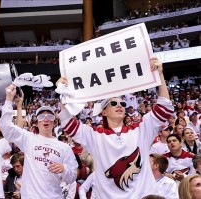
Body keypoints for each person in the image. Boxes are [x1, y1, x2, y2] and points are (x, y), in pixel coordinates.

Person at [56, 57, 174, 198]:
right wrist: (63, 93)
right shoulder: (95, 135)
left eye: (123, 104)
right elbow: (68, 123)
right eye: (113, 103)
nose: (119, 105)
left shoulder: (141, 129)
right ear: (103, 112)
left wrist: (160, 75)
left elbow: (164, 108)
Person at [0, 86, 78, 199]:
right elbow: (6, 127)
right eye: (42, 116)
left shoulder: (64, 148)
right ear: (37, 122)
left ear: (54, 122)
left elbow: (72, 177)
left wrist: (64, 169)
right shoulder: (29, 138)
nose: (46, 119)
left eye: (50, 116)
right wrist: (8, 99)